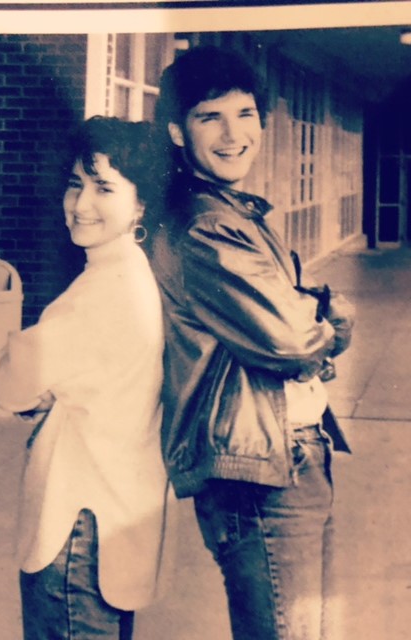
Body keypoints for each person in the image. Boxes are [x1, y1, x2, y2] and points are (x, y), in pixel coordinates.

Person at [151, 45, 354, 640]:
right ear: (177, 130)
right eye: (208, 116)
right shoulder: (206, 224)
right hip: (261, 475)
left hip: (288, 454)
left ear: (263, 123)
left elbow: (292, 312)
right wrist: (331, 319)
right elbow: (292, 337)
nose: (232, 133)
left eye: (244, 113)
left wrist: (308, 310)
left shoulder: (235, 212)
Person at [0, 116, 173, 640]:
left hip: (76, 526)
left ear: (141, 205)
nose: (81, 203)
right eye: (76, 183)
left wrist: (32, 381)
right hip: (112, 520)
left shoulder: (102, 290)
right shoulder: (134, 271)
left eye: (104, 187)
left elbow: (5, 383)